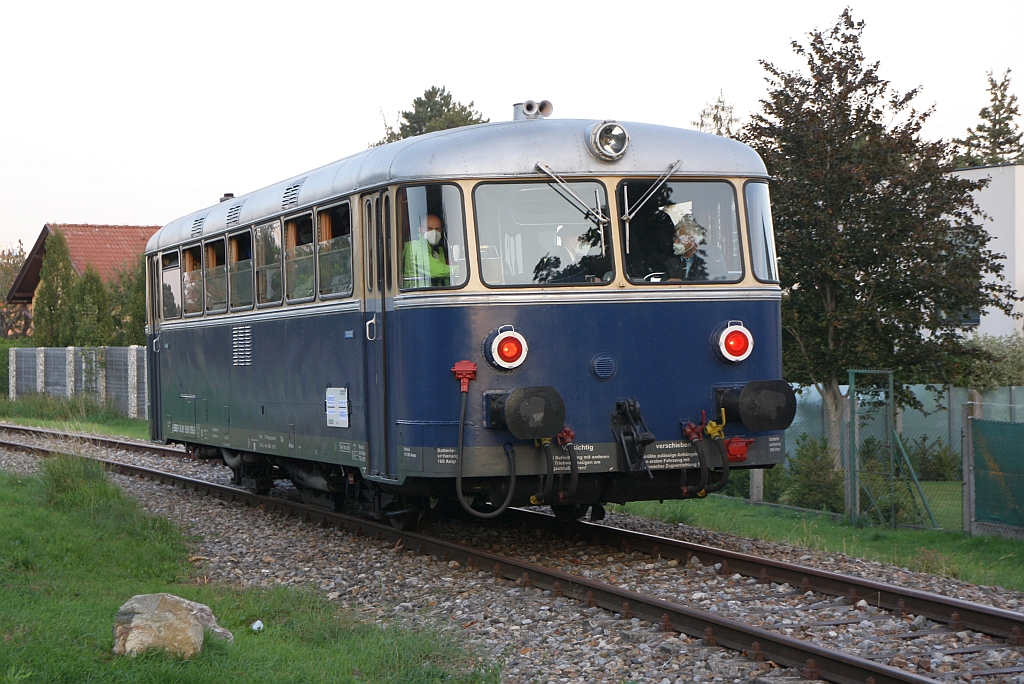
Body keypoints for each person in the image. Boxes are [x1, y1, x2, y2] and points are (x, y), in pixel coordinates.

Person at [663, 213, 728, 281]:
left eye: (679, 239)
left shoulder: (711, 253)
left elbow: (720, 276)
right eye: (675, 238)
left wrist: (683, 282)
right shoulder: (672, 260)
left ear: (693, 240)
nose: (675, 242)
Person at [403, 214, 451, 288]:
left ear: (441, 231)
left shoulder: (438, 251)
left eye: (437, 229)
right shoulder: (414, 247)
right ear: (420, 230)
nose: (434, 232)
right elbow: (438, 271)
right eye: (429, 228)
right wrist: (461, 269)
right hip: (418, 295)